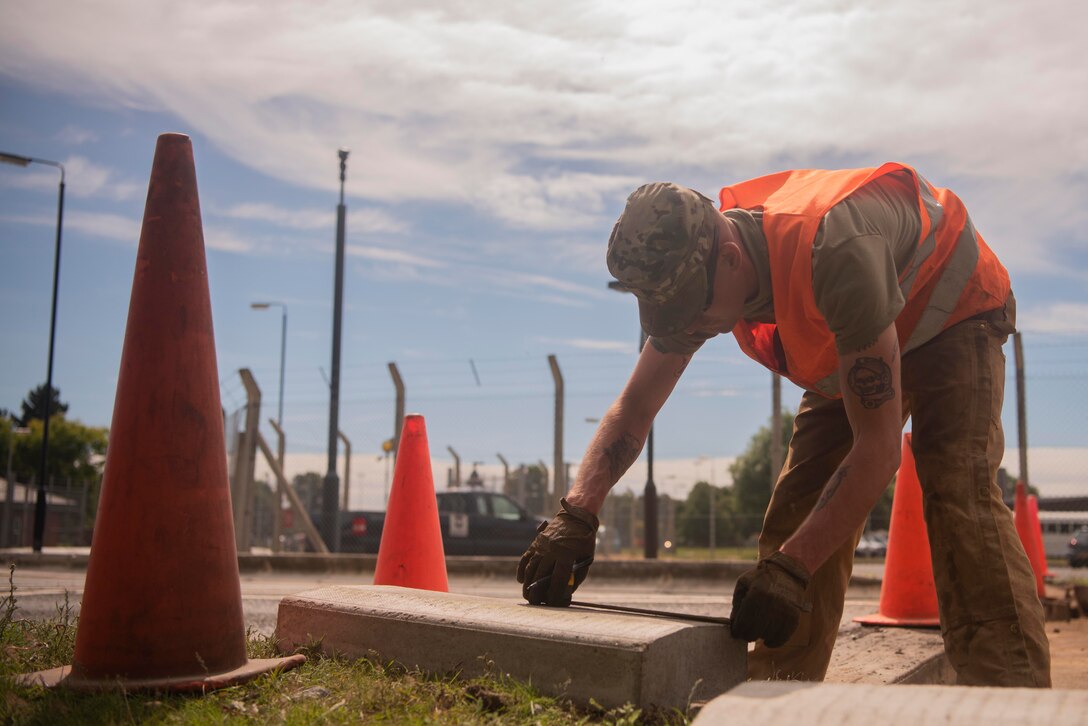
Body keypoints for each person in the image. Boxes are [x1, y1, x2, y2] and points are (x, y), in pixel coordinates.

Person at [516, 163, 1051, 687]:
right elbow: (634, 409)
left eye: (689, 308)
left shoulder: (834, 249)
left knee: (959, 500)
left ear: (729, 258)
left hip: (948, 312)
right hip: (858, 339)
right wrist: (576, 513)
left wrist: (795, 567)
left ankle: (1013, 698)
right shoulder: (698, 271)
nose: (686, 325)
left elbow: (879, 446)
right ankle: (779, 700)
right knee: (797, 517)